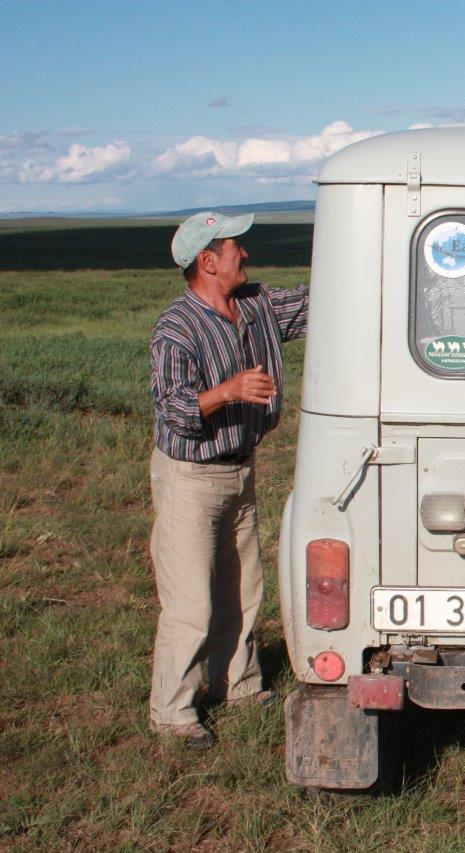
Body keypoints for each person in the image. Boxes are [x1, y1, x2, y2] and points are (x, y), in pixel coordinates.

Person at [147, 211, 308, 748]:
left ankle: (237, 684)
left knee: (243, 586)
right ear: (208, 261)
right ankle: (173, 713)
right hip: (191, 476)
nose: (246, 255)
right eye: (237, 248)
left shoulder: (256, 306)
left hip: (240, 468)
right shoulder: (176, 329)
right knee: (191, 600)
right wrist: (228, 391)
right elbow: (174, 411)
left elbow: (318, 302)